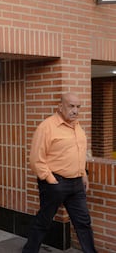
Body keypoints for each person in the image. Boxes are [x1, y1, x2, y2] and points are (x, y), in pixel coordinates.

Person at [22, 92, 97, 253]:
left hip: (77, 183)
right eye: (71, 106)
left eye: (78, 107)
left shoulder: (77, 126)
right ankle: (29, 250)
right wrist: (51, 180)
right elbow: (36, 159)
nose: (75, 110)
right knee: (44, 221)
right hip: (55, 182)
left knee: (83, 222)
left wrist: (83, 174)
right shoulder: (46, 127)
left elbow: (79, 153)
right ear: (60, 106)